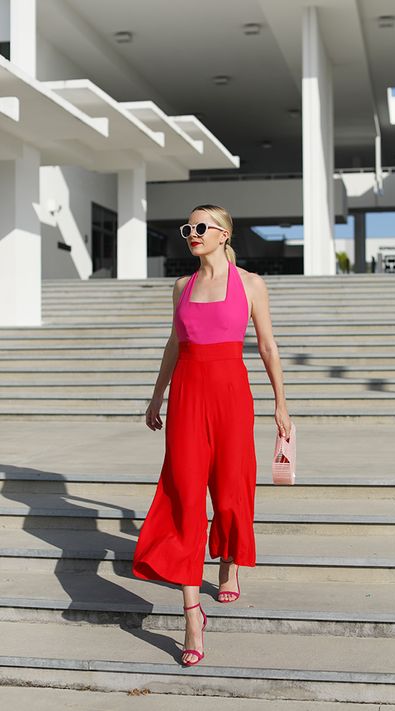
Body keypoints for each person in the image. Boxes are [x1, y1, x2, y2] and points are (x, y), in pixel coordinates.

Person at [132, 204, 292, 667]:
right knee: (183, 494)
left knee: (228, 491)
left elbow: (266, 344)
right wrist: (156, 397)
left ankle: (229, 563)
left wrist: (281, 404)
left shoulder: (250, 283)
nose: (192, 233)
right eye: (187, 227)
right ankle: (191, 613)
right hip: (187, 395)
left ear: (224, 234)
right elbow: (173, 344)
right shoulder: (181, 286)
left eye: (201, 227)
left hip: (231, 396)